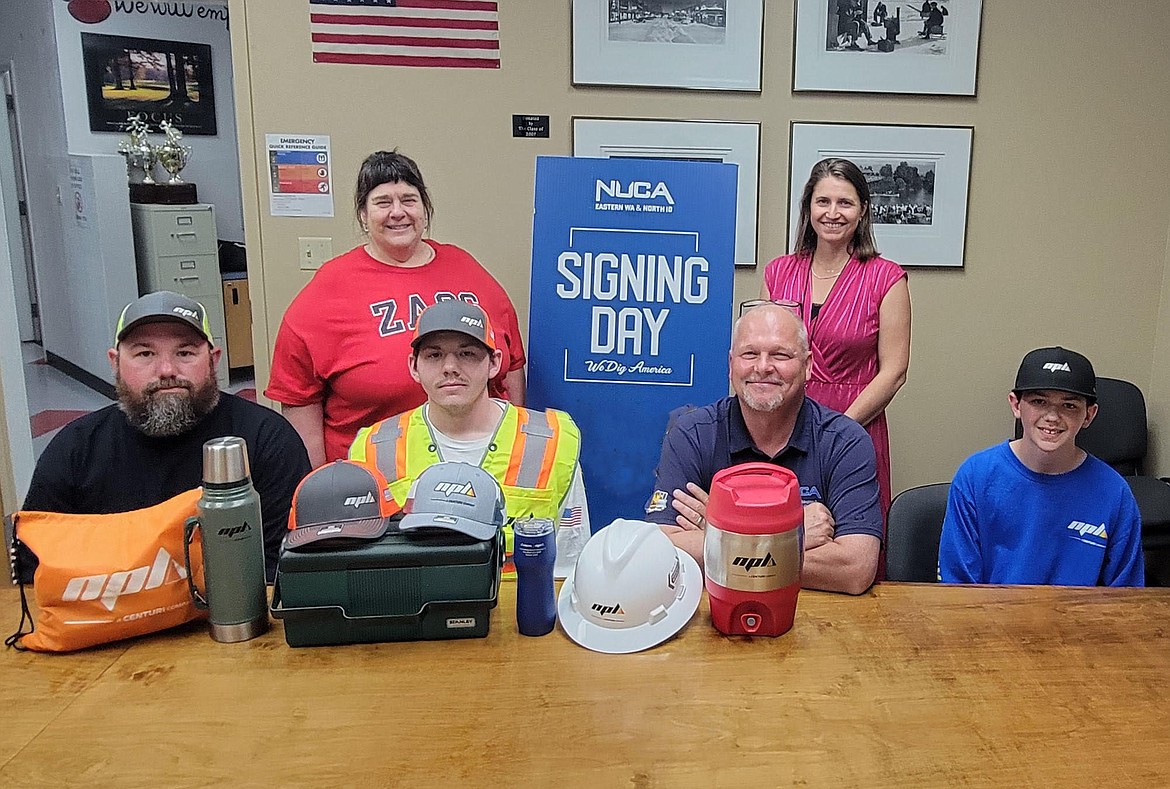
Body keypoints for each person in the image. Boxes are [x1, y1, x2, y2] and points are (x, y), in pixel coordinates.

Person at [18, 291, 311, 584]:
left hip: (234, 623)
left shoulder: (267, 440)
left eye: (185, 353)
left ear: (213, 360)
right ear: (115, 362)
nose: (167, 370)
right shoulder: (75, 451)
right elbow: (35, 574)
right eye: (145, 353)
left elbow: (288, 568)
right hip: (111, 623)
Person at [267, 149, 527, 467]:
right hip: (373, 480)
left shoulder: (467, 269)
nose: (397, 212)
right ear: (363, 215)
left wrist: (515, 455)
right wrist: (322, 488)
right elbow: (298, 397)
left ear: (425, 209)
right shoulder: (328, 289)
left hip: (478, 469)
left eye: (408, 199)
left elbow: (511, 364)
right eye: (382, 202)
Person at [643, 303, 882, 595]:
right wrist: (789, 533)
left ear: (808, 365)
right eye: (750, 354)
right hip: (713, 617)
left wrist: (718, 535)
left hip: (819, 621)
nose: (763, 367)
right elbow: (661, 547)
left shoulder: (845, 441)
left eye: (780, 354)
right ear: (731, 364)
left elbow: (855, 569)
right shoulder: (692, 434)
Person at [348, 300, 588, 578]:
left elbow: (568, 565)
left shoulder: (551, 441)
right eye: (434, 356)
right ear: (414, 366)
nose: (450, 367)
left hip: (519, 614)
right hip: (413, 615)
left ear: (494, 363)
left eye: (467, 354)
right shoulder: (374, 447)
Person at [760, 157, 910, 519]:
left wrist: (836, 430)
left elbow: (894, 373)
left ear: (862, 211)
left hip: (854, 425)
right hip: (783, 426)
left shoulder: (886, 278)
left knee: (851, 535)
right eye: (823, 201)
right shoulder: (778, 272)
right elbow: (764, 353)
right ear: (808, 207)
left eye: (845, 202)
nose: (833, 213)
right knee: (779, 535)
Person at [938, 347, 1144, 586]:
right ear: (1016, 405)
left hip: (1080, 621)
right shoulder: (975, 477)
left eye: (1069, 406)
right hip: (991, 618)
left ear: (1089, 414)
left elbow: (1126, 596)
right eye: (1039, 401)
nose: (1052, 416)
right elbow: (957, 587)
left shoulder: (1114, 492)